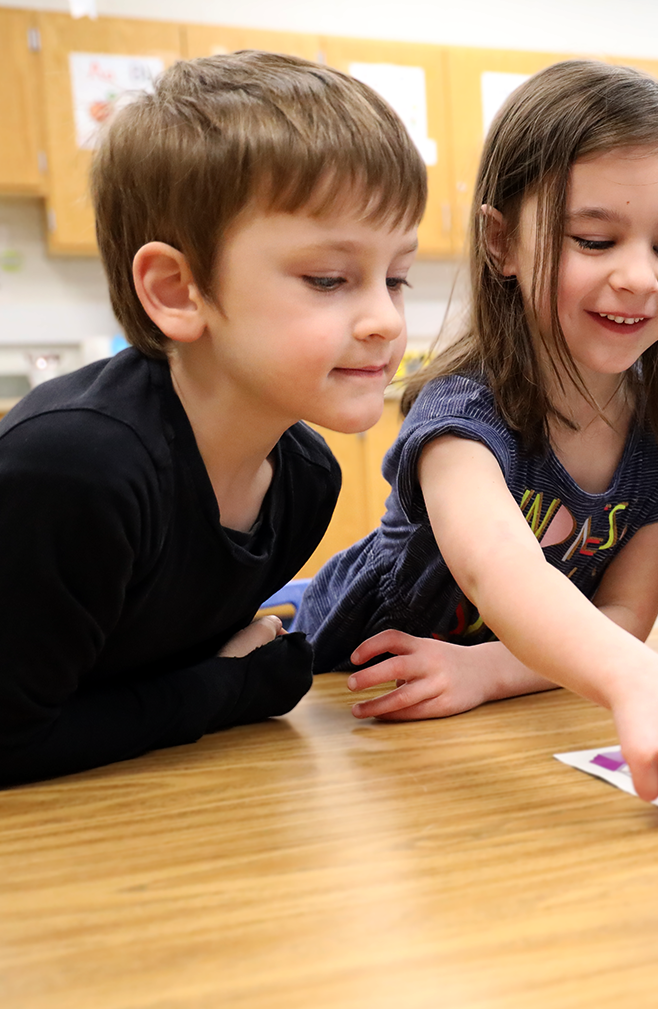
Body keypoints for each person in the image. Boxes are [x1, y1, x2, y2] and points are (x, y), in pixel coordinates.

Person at [299, 61, 658, 807]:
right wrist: (641, 685)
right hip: (349, 695)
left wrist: (487, 672)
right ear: (501, 242)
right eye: (595, 240)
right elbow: (501, 574)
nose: (640, 277)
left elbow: (625, 618)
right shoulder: (461, 417)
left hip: (514, 707)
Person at [0, 52, 424, 785]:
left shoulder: (304, 479)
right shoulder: (77, 469)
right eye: (330, 279)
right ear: (177, 290)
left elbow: (124, 688)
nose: (386, 320)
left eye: (397, 277)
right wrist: (231, 689)